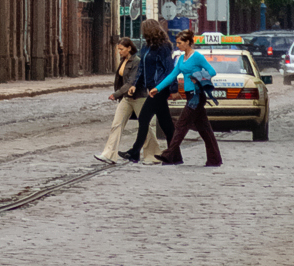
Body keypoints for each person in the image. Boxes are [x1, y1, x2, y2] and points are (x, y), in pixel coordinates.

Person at [149, 29, 223, 167]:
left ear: (188, 42)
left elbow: (212, 71)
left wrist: (198, 77)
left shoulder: (197, 57)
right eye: (177, 43)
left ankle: (169, 155)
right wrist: (157, 88)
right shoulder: (182, 58)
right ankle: (214, 159)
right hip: (190, 95)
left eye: (180, 43)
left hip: (196, 96)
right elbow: (172, 75)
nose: (178, 45)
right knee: (205, 130)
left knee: (181, 125)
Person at [120, 19, 177, 164]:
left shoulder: (163, 47)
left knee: (144, 118)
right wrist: (135, 84)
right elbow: (141, 69)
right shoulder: (146, 48)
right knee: (166, 124)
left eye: (144, 29)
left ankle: (134, 152)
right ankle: (175, 156)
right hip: (150, 88)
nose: (142, 32)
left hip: (159, 89)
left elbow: (170, 70)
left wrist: (173, 89)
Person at [95, 38, 161, 164]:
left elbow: (131, 81)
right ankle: (109, 154)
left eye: (121, 49)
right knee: (116, 124)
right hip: (126, 98)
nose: (119, 52)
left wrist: (116, 94)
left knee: (145, 126)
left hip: (139, 98)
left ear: (129, 48)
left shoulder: (136, 61)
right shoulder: (123, 60)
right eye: (118, 49)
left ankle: (153, 155)